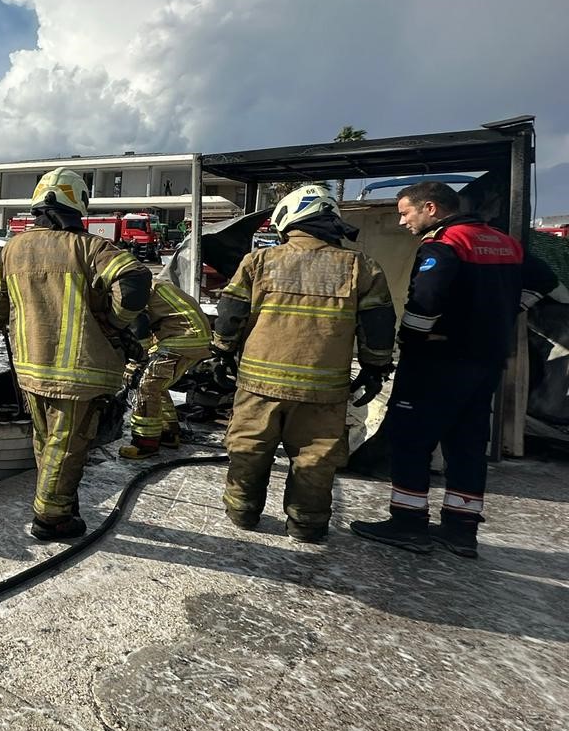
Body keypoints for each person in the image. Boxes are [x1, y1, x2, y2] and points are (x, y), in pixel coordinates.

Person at [351, 181, 560, 557]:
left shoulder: (445, 244)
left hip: (438, 362)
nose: (402, 222)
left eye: (404, 212)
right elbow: (545, 280)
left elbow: (425, 302)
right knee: (466, 444)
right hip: (486, 363)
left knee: (410, 439)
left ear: (430, 208)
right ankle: (461, 531)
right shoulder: (502, 242)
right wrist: (513, 308)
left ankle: (407, 523)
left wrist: (410, 342)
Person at [213, 184, 395, 543]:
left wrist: (221, 352)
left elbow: (231, 313)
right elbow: (378, 325)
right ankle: (306, 523)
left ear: (288, 220)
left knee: (249, 447)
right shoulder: (360, 266)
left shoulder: (260, 262)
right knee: (316, 457)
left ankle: (242, 511)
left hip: (259, 384)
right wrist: (375, 370)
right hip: (323, 388)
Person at [0, 170, 152, 541]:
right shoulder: (90, 248)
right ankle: (52, 517)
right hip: (79, 369)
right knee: (68, 443)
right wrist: (116, 319)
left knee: (46, 441)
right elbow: (135, 281)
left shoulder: (13, 249)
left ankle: (60, 502)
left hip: (30, 365)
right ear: (77, 205)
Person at [119, 279, 213, 459]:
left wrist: (137, 361)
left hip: (182, 337)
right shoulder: (148, 283)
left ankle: (145, 443)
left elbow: (139, 324)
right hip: (190, 335)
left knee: (145, 385)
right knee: (157, 385)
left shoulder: (133, 287)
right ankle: (169, 433)